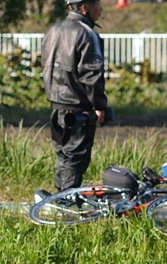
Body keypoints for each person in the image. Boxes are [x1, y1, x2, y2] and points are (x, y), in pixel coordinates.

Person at [40, 0, 107, 193]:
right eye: (98, 4)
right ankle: (65, 201)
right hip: (78, 106)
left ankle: (60, 195)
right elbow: (92, 74)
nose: (101, 9)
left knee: (63, 153)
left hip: (56, 104)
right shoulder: (87, 33)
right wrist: (99, 106)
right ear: (85, 7)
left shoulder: (53, 29)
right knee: (76, 156)